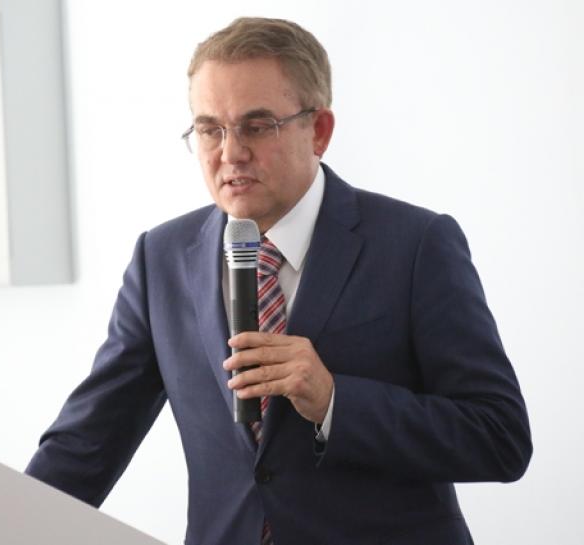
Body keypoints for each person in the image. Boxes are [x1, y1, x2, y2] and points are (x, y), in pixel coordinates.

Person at [26, 17, 532, 545]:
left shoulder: (416, 244)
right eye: (209, 129)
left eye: (257, 125)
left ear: (319, 131)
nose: (230, 153)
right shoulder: (161, 258)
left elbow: (500, 437)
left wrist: (334, 401)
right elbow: (87, 444)